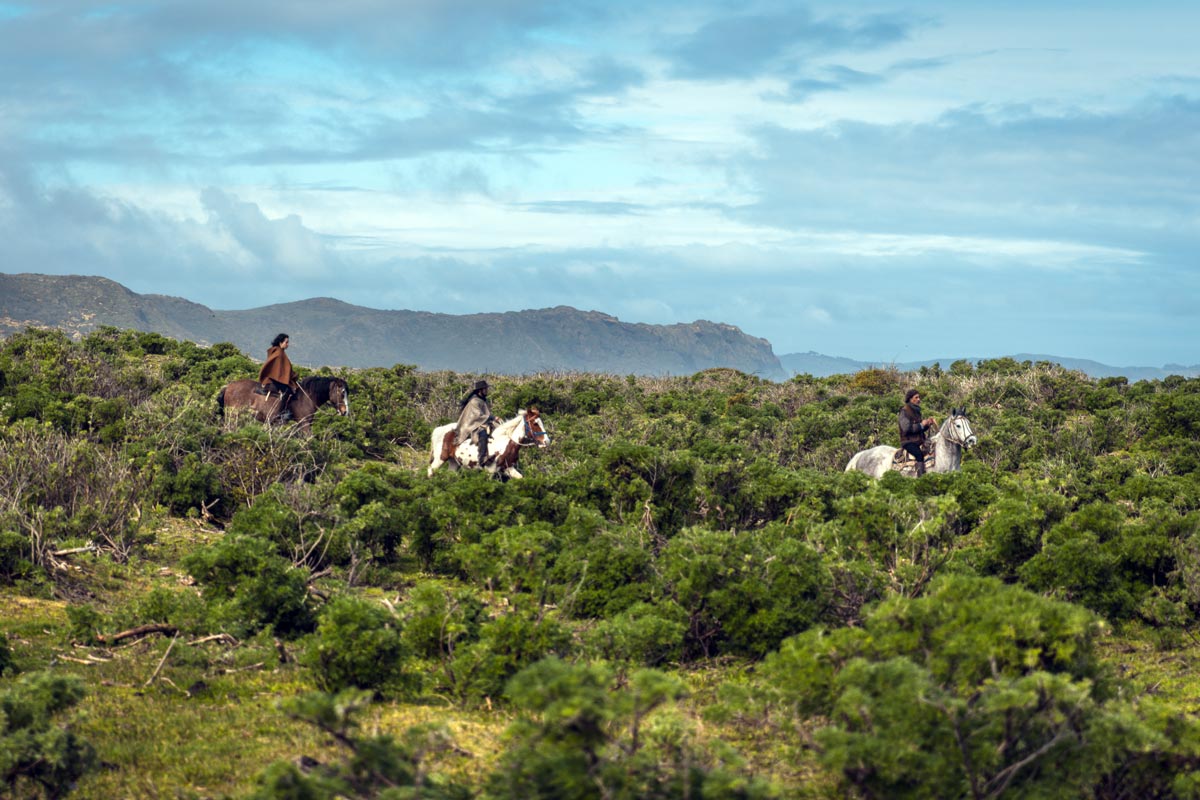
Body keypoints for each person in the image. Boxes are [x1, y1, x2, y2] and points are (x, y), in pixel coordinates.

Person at [258, 333, 299, 422]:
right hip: (273, 380)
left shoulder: (276, 351)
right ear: (280, 342)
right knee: (288, 391)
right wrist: (293, 376)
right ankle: (280, 413)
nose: (287, 344)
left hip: (273, 378)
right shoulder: (279, 353)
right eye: (286, 342)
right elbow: (283, 370)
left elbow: (283, 369)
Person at [456, 379, 498, 466]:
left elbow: (485, 414)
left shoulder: (482, 400)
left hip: (482, 422)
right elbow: (478, 415)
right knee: (483, 434)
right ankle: (481, 459)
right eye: (485, 389)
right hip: (474, 425)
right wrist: (493, 417)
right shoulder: (475, 401)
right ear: (480, 390)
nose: (487, 391)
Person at [898, 388, 936, 476]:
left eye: (919, 397)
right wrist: (921, 425)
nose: (919, 399)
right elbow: (906, 428)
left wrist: (927, 424)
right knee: (919, 455)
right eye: (916, 397)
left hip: (919, 441)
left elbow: (919, 429)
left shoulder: (916, 411)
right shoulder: (904, 411)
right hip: (908, 442)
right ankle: (921, 478)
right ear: (910, 399)